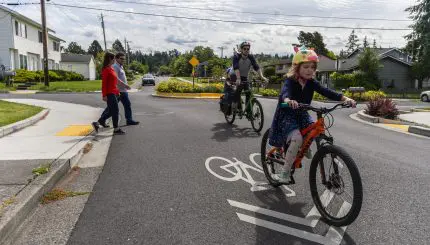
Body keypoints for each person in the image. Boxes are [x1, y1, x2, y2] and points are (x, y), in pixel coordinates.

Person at [269, 46, 356, 183]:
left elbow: (326, 92)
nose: (310, 70)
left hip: (302, 113)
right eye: (306, 67)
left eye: (312, 67)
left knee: (313, 129)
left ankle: (303, 146)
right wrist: (288, 100)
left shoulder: (311, 83)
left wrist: (345, 99)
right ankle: (285, 174)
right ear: (297, 68)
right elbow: (285, 92)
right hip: (288, 114)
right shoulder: (290, 80)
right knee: (297, 137)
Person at [98, 52, 139, 126]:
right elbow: (115, 79)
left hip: (122, 90)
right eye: (121, 59)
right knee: (111, 109)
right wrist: (125, 85)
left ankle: (129, 120)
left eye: (124, 59)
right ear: (116, 59)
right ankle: (102, 120)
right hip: (117, 91)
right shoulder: (114, 67)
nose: (123, 60)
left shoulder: (120, 66)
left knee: (126, 105)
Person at [92, 52, 126, 135]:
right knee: (115, 111)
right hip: (110, 93)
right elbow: (104, 84)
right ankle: (116, 129)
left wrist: (118, 92)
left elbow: (113, 82)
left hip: (114, 92)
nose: (115, 60)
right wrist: (104, 95)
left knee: (111, 111)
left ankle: (98, 123)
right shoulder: (106, 70)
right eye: (113, 58)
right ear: (110, 59)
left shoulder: (111, 69)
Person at [232, 41, 268, 113]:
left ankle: (248, 110)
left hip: (244, 77)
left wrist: (262, 77)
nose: (246, 50)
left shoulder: (250, 57)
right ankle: (235, 105)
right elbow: (236, 68)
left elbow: (256, 67)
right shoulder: (236, 56)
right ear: (241, 49)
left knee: (248, 92)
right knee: (238, 90)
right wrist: (238, 78)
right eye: (244, 49)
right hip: (235, 75)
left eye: (248, 49)